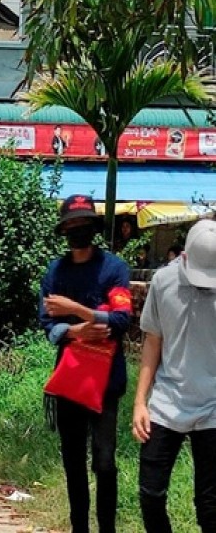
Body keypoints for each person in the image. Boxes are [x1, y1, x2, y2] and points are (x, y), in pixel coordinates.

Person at [40, 195, 132, 533]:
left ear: (93, 227)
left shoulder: (114, 268)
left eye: (83, 224)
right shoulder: (56, 270)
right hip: (70, 381)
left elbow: (120, 320)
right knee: (73, 461)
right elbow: (48, 326)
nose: (77, 229)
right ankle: (80, 526)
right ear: (63, 230)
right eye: (71, 225)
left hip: (107, 382)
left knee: (105, 461)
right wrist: (83, 328)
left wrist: (74, 310)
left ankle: (106, 528)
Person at [133, 219, 216, 532]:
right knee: (150, 494)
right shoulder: (163, 282)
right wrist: (141, 402)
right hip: (168, 403)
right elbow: (153, 340)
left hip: (213, 408)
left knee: (210, 506)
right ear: (184, 256)